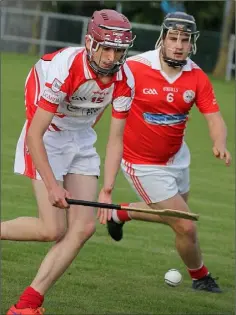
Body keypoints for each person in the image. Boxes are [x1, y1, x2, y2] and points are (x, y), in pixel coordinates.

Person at [2, 9, 135, 315]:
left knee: (84, 227)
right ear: (90, 42)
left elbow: (116, 138)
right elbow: (35, 133)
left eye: (119, 50)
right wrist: (52, 186)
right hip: (46, 132)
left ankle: (27, 304)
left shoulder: (125, 79)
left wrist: (107, 190)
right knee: (52, 229)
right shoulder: (65, 70)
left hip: (81, 135)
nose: (112, 57)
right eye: (107, 48)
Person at [98, 12, 231, 293]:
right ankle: (201, 277)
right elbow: (101, 91)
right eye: (173, 38)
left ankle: (119, 214)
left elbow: (214, 117)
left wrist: (220, 142)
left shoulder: (196, 77)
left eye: (185, 39)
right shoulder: (134, 67)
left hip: (177, 158)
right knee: (185, 225)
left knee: (170, 215)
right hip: (141, 163)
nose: (179, 45)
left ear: (192, 43)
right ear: (163, 38)